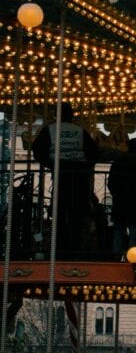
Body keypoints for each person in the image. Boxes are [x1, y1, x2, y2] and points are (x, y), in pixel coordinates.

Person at [31, 103, 100, 254]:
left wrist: (50, 163)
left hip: (61, 172)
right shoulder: (79, 131)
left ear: (57, 115)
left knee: (59, 211)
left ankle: (60, 246)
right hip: (79, 174)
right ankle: (75, 246)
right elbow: (94, 153)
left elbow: (37, 149)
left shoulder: (50, 130)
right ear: (72, 115)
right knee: (77, 212)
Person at [108, 138, 136, 256]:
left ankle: (116, 254)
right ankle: (133, 255)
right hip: (134, 200)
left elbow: (111, 182)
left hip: (119, 199)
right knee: (134, 229)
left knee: (119, 228)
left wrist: (116, 193)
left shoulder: (119, 160)